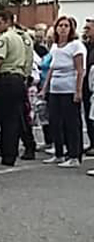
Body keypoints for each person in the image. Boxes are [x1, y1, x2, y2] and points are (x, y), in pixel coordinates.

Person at [41, 16, 85, 168]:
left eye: (66, 26)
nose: (63, 28)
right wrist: (45, 88)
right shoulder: (55, 46)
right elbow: (52, 68)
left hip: (69, 87)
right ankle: (58, 153)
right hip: (55, 88)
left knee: (71, 123)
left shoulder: (76, 46)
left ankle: (74, 155)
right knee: (55, 121)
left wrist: (78, 91)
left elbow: (80, 70)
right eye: (60, 25)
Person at [0, 10, 27, 167]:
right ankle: (9, 156)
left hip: (5, 80)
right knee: (12, 120)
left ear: (8, 22)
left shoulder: (3, 39)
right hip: (18, 79)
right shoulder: (20, 37)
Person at [15, 24, 37, 160]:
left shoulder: (23, 38)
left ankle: (29, 144)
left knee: (21, 116)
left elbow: (28, 60)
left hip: (20, 79)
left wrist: (25, 77)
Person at [80, 18, 94, 156]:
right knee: (89, 116)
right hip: (86, 86)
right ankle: (92, 142)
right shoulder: (85, 46)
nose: (86, 32)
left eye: (88, 29)